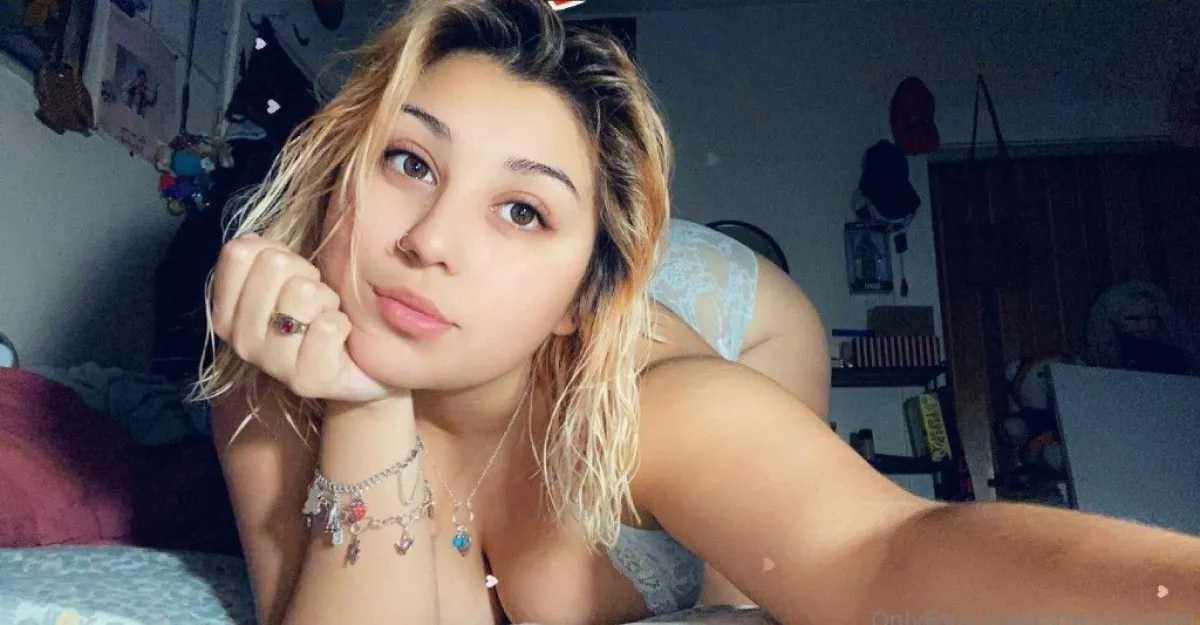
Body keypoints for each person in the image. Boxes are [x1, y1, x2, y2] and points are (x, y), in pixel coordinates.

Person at [197, 1, 1200, 624]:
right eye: (409, 160)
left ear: (580, 297)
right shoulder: (273, 356)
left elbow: (876, 553)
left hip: (741, 314)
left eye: (521, 209)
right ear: (338, 174)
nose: (429, 241)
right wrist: (364, 404)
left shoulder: (662, 403)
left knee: (744, 604)